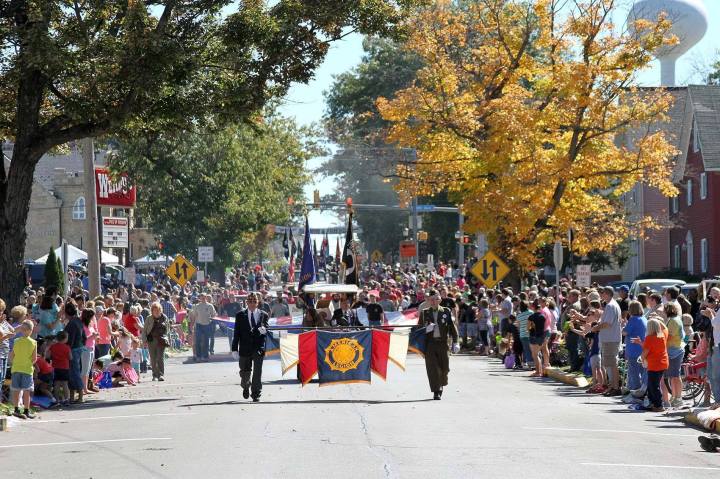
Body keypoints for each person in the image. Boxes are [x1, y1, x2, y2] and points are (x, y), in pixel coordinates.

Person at [419, 290, 459, 400]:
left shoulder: (446, 311)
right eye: (430, 299)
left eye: (434, 299)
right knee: (432, 369)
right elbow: (417, 330)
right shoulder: (425, 312)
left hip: (443, 344)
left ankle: (441, 383)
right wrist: (426, 329)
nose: (432, 301)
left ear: (439, 300)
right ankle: (436, 390)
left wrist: (456, 342)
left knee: (445, 368)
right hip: (430, 344)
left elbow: (452, 327)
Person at [231, 292, 269, 402]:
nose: (252, 303)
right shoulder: (240, 315)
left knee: (257, 371)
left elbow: (266, 327)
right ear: (246, 302)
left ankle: (256, 393)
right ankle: (246, 386)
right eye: (250, 301)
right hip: (244, 347)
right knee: (245, 371)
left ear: (258, 302)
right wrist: (234, 349)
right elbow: (236, 332)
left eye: (254, 301)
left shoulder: (263, 314)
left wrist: (264, 330)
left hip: (258, 347)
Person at [632, 318, 668, 412]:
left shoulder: (649, 337)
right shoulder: (662, 335)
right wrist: (657, 319)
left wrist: (642, 359)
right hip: (663, 363)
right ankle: (654, 403)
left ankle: (658, 405)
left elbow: (645, 351)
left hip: (654, 364)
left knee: (653, 385)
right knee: (653, 384)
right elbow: (664, 327)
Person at [9, 320, 37, 419]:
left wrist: (15, 363)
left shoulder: (16, 341)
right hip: (27, 369)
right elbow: (34, 358)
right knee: (26, 391)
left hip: (16, 368)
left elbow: (11, 355)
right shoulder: (33, 342)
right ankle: (26, 410)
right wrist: (28, 363)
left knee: (16, 390)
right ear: (31, 330)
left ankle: (16, 409)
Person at [63, 301, 87, 403]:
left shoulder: (71, 324)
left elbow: (70, 340)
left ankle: (80, 396)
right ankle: (73, 397)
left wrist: (67, 349)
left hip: (72, 349)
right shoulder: (78, 321)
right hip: (79, 348)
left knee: (74, 373)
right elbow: (84, 337)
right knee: (73, 372)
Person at [663, 302, 685, 408]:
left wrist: (659, 338)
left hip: (674, 351)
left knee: (675, 376)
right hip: (675, 350)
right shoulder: (676, 319)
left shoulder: (673, 321)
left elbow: (669, 336)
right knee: (673, 376)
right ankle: (675, 397)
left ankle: (678, 398)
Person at [623, 300, 647, 398]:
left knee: (633, 372)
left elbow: (625, 332)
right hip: (642, 348)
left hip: (633, 349)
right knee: (642, 371)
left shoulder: (633, 319)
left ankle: (635, 392)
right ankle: (643, 390)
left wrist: (624, 326)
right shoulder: (644, 318)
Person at [143, 302, 169, 381]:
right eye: (155, 310)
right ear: (152, 311)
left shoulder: (164, 317)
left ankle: (161, 374)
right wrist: (144, 340)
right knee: (153, 358)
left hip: (161, 340)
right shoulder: (149, 318)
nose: (157, 312)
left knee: (160, 358)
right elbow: (144, 331)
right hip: (151, 340)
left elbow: (168, 329)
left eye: (158, 310)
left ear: (160, 310)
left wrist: (167, 338)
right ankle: (154, 374)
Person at [49, 331, 72, 406]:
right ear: (65, 339)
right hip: (64, 367)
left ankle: (57, 400)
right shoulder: (67, 347)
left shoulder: (53, 347)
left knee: (56, 384)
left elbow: (49, 356)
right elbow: (70, 357)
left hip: (55, 367)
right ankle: (66, 399)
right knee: (65, 384)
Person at [193, 293, 217, 362]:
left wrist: (212, 319)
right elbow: (194, 316)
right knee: (198, 341)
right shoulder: (197, 306)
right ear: (200, 298)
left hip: (207, 325)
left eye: (204, 297)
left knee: (206, 341)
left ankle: (205, 356)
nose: (203, 298)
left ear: (206, 297)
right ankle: (198, 356)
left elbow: (214, 315)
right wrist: (193, 325)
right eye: (201, 297)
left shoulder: (210, 305)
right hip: (199, 325)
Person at [0, 299, 15, 399]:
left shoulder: (2, 322)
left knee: (2, 379)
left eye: (2, 310)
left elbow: (12, 330)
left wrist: (4, 321)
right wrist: (6, 336)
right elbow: (1, 337)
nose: (2, 312)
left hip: (5, 352)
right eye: (0, 310)